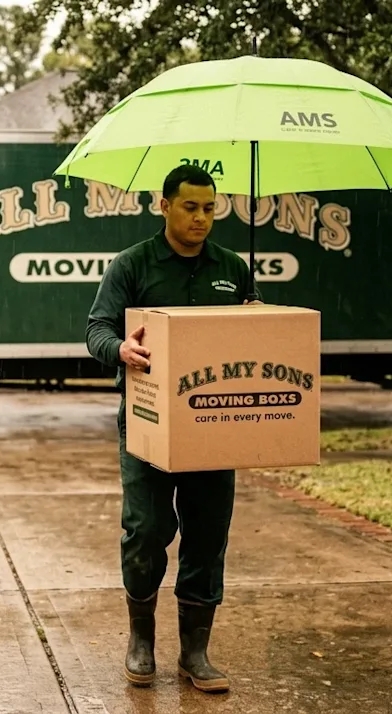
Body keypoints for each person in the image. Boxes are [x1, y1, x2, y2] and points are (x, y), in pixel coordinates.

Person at [85, 163, 261, 693]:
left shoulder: (232, 267)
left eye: (211, 208)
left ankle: (195, 653)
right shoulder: (132, 265)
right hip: (146, 428)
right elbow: (96, 330)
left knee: (208, 536)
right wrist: (122, 349)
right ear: (164, 206)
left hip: (212, 427)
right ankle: (140, 640)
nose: (202, 218)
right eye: (191, 207)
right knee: (146, 532)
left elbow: (251, 343)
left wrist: (257, 321)